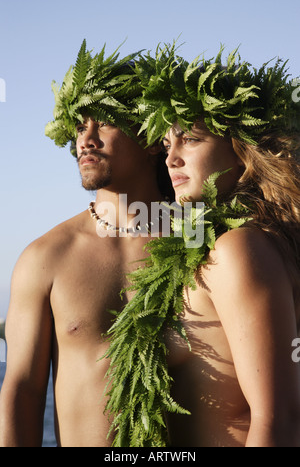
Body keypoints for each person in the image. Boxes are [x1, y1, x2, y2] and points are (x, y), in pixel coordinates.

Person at [112, 45, 300, 447]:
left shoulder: (238, 249)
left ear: (241, 152)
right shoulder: (220, 245)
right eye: (166, 146)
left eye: (190, 140)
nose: (171, 159)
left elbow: (279, 418)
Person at [0, 42, 173, 447]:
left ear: (151, 137)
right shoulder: (46, 258)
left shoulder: (206, 245)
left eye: (106, 123)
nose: (86, 140)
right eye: (80, 126)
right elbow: (22, 391)